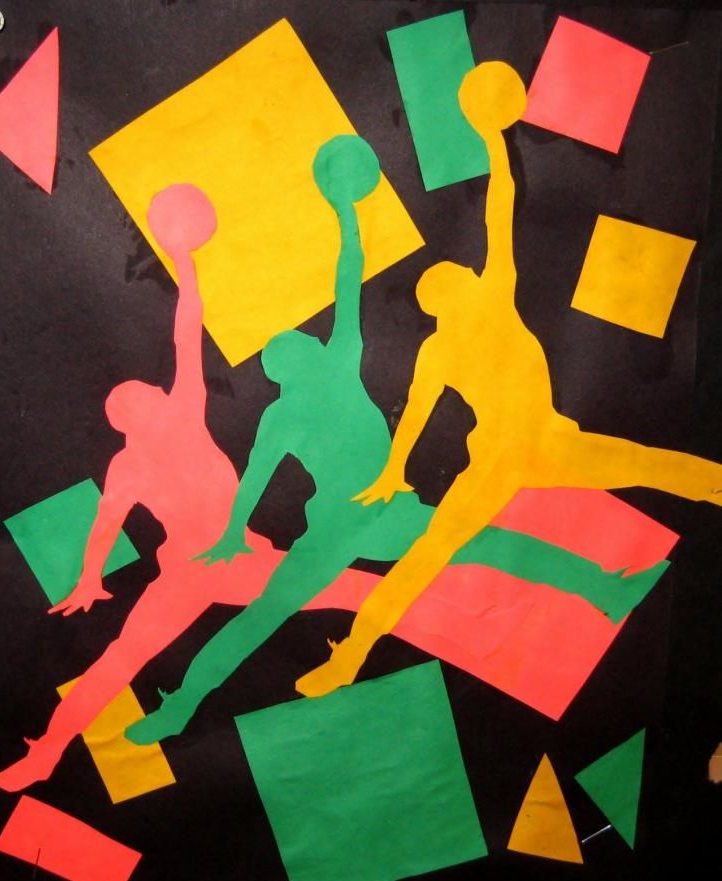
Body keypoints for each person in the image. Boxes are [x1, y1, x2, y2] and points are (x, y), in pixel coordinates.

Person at [127, 135, 661, 745]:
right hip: (337, 525)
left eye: (299, 343)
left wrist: (345, 213)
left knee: (489, 546)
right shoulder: (290, 408)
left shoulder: (336, 365)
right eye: (291, 349)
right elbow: (255, 478)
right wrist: (230, 532)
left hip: (386, 510)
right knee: (264, 616)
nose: (303, 345)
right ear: (287, 367)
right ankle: (181, 706)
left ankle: (603, 587)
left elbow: (349, 276)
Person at [295, 62, 722, 699]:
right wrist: (395, 468)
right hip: (506, 456)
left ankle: (350, 656)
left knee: (657, 467)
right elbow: (416, 412)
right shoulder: (465, 325)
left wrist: (497, 142)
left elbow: (501, 210)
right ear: (448, 296)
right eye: (454, 280)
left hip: (538, 445)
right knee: (434, 554)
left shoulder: (475, 314)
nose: (467, 275)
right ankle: (350, 656)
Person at [0, 184, 287, 791]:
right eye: (147, 395)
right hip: (198, 570)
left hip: (234, 559)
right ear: (137, 415)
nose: (157, 391)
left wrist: (184, 260)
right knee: (119, 661)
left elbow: (187, 328)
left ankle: (47, 753)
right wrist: (87, 576)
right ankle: (47, 752)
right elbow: (106, 524)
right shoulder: (156, 439)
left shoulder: (175, 419)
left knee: (359, 592)